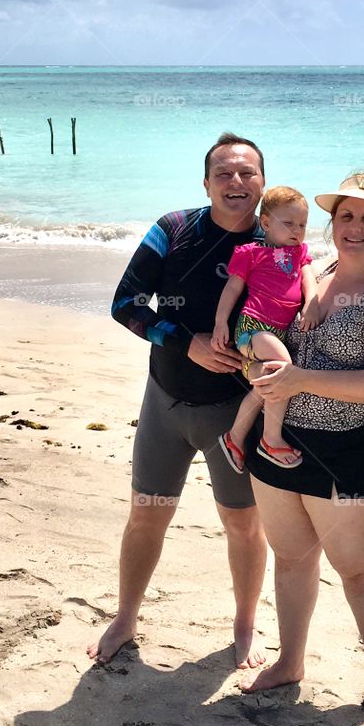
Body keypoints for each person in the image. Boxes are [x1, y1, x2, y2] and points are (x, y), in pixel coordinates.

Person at [240, 173, 364, 726]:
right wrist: (260, 370)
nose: (356, 228)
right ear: (332, 225)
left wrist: (298, 380)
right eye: (346, 217)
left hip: (347, 450)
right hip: (279, 442)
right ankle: (290, 662)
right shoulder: (312, 272)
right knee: (290, 558)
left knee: (359, 570)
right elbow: (266, 343)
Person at [86, 133, 269, 669]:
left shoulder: (275, 244)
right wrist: (182, 340)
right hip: (164, 402)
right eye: (225, 173)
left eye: (247, 173)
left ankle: (245, 624)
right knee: (147, 513)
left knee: (242, 523)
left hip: (233, 414)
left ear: (262, 180)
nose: (236, 182)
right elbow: (126, 302)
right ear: (207, 182)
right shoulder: (173, 230)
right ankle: (125, 617)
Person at [213, 186, 320, 472]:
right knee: (284, 370)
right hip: (252, 328)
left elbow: (309, 279)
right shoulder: (251, 253)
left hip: (278, 334)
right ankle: (271, 439)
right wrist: (220, 322)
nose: (297, 230)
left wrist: (311, 302)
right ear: (266, 223)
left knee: (267, 383)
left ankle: (234, 438)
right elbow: (232, 288)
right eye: (289, 223)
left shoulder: (300, 253)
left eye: (302, 225)